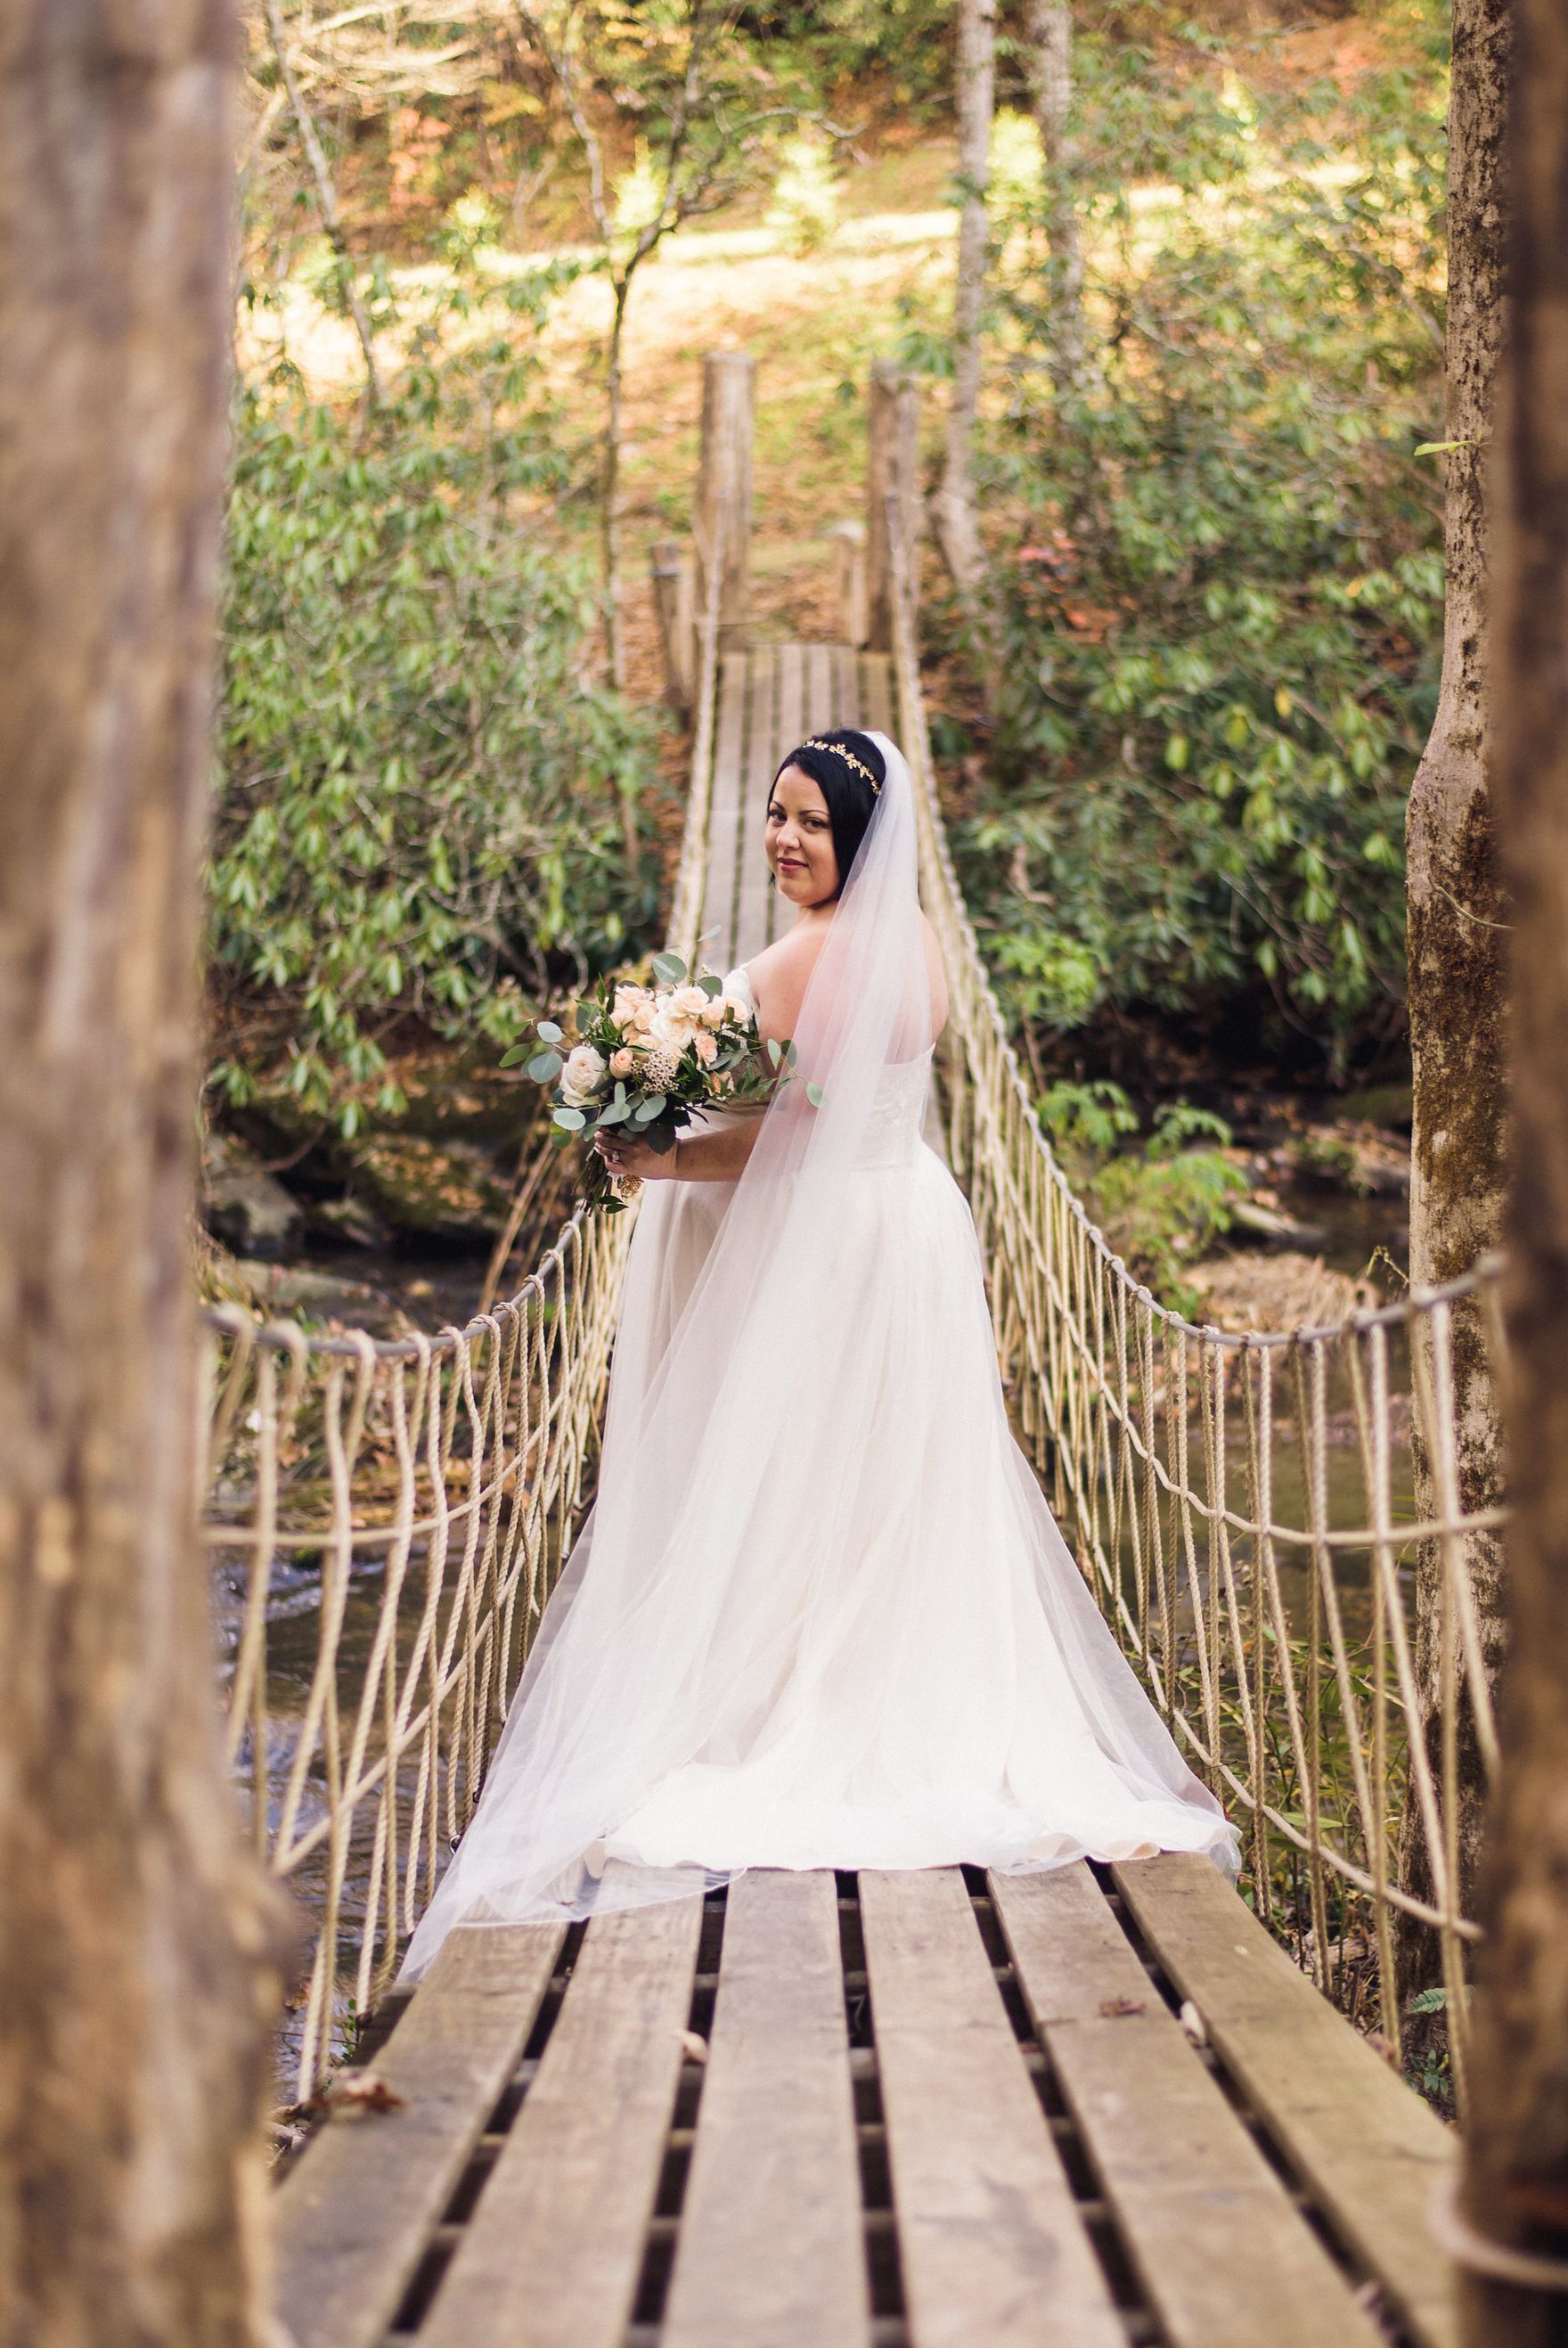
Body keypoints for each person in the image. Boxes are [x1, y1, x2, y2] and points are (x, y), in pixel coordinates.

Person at [402, 729, 1231, 1975]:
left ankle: (777, 1711)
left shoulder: (809, 961)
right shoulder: (917, 947)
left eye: (814, 824)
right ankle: (874, 1687)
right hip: (898, 1229)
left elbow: (797, 1132)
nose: (786, 839)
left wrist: (662, 1154)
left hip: (807, 1239)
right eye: (777, 813)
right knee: (872, 1479)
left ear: (862, 839)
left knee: (781, 1469)